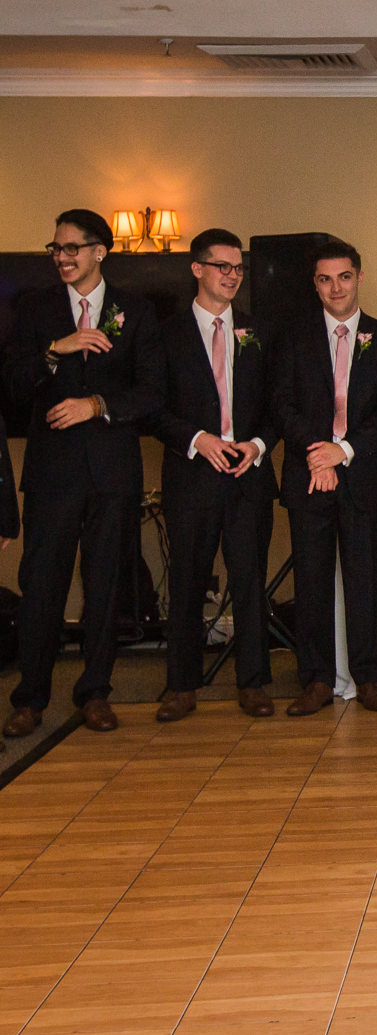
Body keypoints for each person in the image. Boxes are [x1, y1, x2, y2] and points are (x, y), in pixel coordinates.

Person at [2, 208, 160, 736]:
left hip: (112, 472)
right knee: (41, 584)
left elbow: (152, 391)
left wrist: (96, 404)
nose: (63, 258)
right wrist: (55, 350)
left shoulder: (134, 311)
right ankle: (30, 698)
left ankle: (95, 691)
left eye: (73, 248)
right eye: (56, 248)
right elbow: (10, 384)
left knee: (105, 585)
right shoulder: (34, 309)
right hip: (52, 473)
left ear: (100, 251)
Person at [271, 239, 377, 717]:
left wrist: (342, 451)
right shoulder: (292, 337)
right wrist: (318, 455)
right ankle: (316, 679)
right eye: (325, 279)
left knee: (366, 583)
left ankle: (370, 677)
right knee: (310, 583)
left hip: (362, 477)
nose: (336, 288)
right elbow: (282, 403)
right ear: (315, 284)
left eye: (344, 277)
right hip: (309, 478)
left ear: (359, 278)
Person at [148, 228, 278, 723]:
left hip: (247, 475)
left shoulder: (258, 332)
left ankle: (254, 683)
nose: (232, 276)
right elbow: (152, 408)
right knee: (186, 582)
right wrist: (197, 439)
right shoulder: (166, 334)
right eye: (222, 266)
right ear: (196, 269)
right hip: (192, 478)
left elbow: (277, 406)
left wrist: (259, 444)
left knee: (249, 582)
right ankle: (181, 686)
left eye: (238, 268)